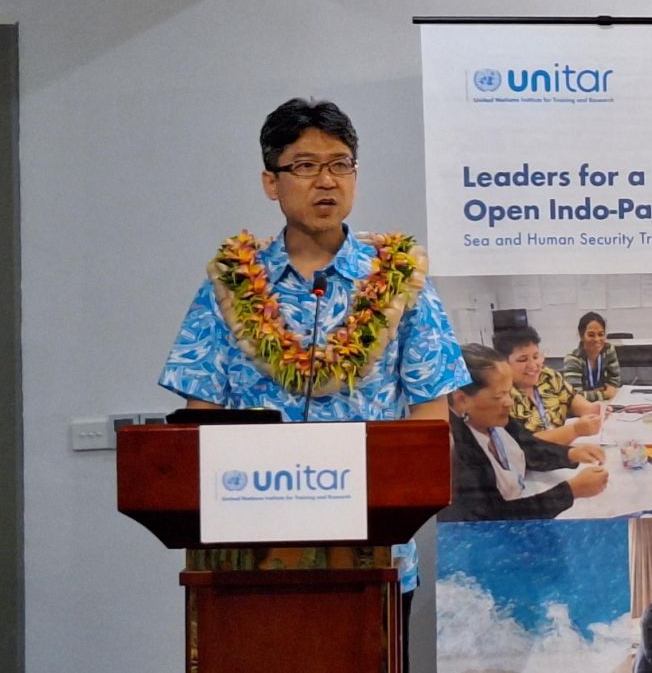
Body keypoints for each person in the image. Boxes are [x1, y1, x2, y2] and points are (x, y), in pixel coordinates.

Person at [157, 98, 469, 673]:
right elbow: (197, 428)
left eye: (341, 163)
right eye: (304, 165)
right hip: (246, 560)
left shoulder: (403, 284)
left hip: (374, 557)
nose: (326, 180)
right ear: (270, 181)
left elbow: (430, 427)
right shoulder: (228, 286)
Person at [439, 343, 608, 521]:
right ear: (461, 400)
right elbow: (494, 516)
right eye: (498, 396)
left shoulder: (491, 418)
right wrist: (571, 491)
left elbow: (527, 445)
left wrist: (571, 453)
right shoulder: (454, 452)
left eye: (508, 392)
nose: (509, 402)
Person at [492, 326, 606, 445]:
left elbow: (571, 398)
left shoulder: (547, 376)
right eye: (522, 360)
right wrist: (575, 430)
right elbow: (525, 445)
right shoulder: (502, 396)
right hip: (535, 460)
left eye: (536, 357)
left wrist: (592, 410)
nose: (533, 365)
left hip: (563, 451)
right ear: (504, 364)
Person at [561, 311, 622, 400]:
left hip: (606, 404)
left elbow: (614, 383)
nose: (597, 339)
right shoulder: (573, 359)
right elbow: (574, 396)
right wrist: (603, 394)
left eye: (601, 334)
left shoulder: (608, 350)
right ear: (582, 336)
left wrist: (591, 393)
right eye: (591, 335)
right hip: (581, 408)